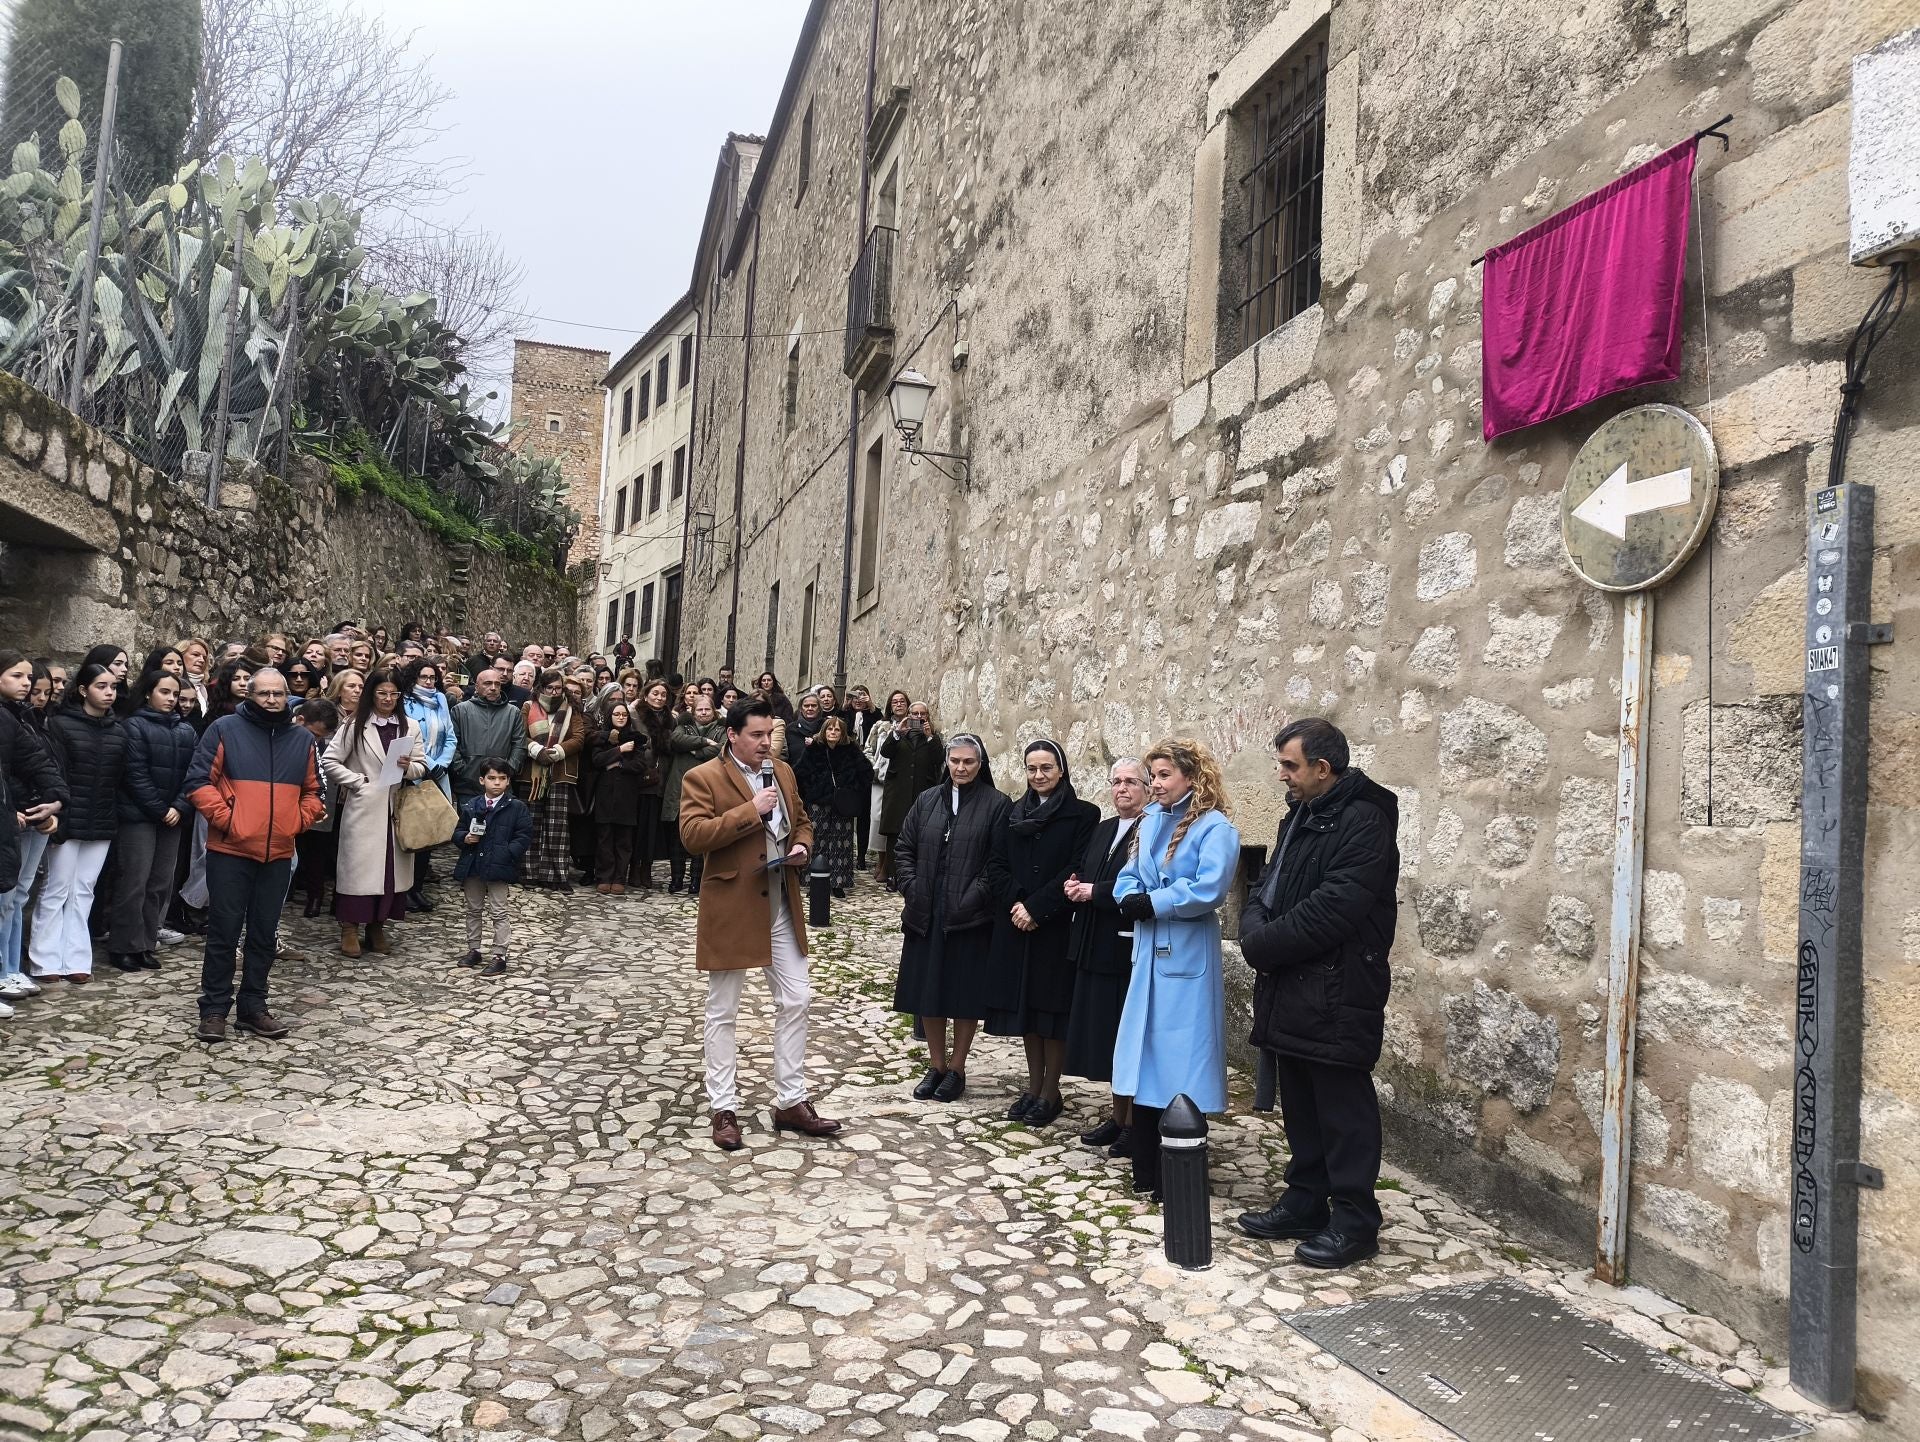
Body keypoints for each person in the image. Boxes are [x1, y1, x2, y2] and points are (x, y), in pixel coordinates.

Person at [1235, 718, 1400, 1269]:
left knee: (1342, 1108)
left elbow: (1334, 908)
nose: (1282, 775)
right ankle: (1306, 1199)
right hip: (1291, 985)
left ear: (1323, 768)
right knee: (1301, 1101)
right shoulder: (1299, 815)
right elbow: (1266, 887)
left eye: (1290, 765)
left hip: (1338, 988)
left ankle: (1355, 1221)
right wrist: (1254, 928)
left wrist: (1261, 945)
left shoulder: (1365, 822)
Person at [677, 698, 840, 1151]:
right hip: (732, 904)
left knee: (798, 998)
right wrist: (751, 810)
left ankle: (790, 1101)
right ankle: (723, 1107)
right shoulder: (703, 776)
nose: (766, 742)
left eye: (770, 734)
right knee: (723, 1010)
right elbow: (693, 836)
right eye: (757, 735)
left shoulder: (782, 771)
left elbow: (802, 821)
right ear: (732, 735)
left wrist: (802, 846)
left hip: (781, 901)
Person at [1110, 737, 1240, 1200]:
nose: (1156, 783)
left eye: (1165, 775)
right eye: (1154, 775)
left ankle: (1179, 1170)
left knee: (1181, 1059)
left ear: (1192, 776)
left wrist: (1157, 901)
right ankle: (1146, 1167)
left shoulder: (1214, 827)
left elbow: (1210, 888)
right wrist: (1129, 897)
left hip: (1185, 954)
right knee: (1147, 1057)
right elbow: (1128, 874)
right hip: (1148, 952)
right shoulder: (1149, 823)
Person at [185, 667, 323, 1040]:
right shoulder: (224, 729)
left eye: (278, 693)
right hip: (230, 849)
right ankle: (214, 1009)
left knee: (263, 934)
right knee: (224, 933)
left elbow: (314, 791)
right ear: (250, 695)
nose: (272, 700)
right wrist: (230, 821)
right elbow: (198, 782)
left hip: (278, 851)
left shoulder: (302, 739)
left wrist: (297, 821)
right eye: (264, 693)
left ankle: (253, 1007)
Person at [980, 740, 1101, 1125]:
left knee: (1052, 1013)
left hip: (1056, 925)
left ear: (1061, 770)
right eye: (1032, 769)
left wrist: (1037, 907)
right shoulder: (1012, 813)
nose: (1039, 775)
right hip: (1017, 923)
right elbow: (996, 864)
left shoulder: (1084, 815)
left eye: (1046, 768)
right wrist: (1019, 902)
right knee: (1028, 1012)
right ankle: (1033, 1087)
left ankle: (1051, 1091)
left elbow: (1077, 867)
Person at [892, 733, 1009, 1103]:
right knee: (929, 992)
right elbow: (904, 848)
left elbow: (998, 861)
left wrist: (975, 896)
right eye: (955, 761)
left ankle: (957, 1067)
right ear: (947, 762)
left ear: (980, 764)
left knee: (962, 994)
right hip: (925, 910)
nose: (961, 768)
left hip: (969, 915)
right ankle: (937, 1065)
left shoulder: (996, 804)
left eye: (968, 762)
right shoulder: (927, 799)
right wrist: (912, 887)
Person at [1063, 757, 1150, 1155]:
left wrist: (1093, 892)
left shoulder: (1150, 830)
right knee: (1106, 1040)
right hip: (1092, 942)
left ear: (1147, 789)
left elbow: (1139, 883)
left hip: (1124, 947)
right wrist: (1076, 884)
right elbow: (1090, 871)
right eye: (1116, 782)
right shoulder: (1104, 829)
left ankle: (1134, 1124)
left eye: (1131, 781)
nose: (1122, 788)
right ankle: (1117, 1117)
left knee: (1126, 1039)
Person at [30, 662, 127, 983]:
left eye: (113, 687)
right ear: (83, 690)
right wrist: (57, 814)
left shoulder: (118, 731)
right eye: (101, 686)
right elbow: (55, 773)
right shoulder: (60, 725)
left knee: (84, 889)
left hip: (101, 820)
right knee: (56, 888)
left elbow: (119, 780)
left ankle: (76, 958)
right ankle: (45, 960)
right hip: (68, 819)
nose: (109, 692)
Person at [323, 668, 427, 956]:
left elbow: (421, 764)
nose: (388, 699)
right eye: (382, 693)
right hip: (364, 807)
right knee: (359, 869)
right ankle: (349, 927)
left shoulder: (410, 726)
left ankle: (377, 925)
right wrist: (357, 782)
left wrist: (409, 767)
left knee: (389, 871)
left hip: (395, 807)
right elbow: (330, 761)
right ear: (371, 694)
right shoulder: (354, 724)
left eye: (394, 694)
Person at [107, 670, 196, 972]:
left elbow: (195, 773)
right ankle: (123, 945)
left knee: (160, 882)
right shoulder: (133, 726)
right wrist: (161, 809)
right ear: (148, 693)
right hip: (139, 816)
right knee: (134, 881)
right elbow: (135, 774)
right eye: (164, 692)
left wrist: (180, 806)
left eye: (175, 694)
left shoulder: (185, 730)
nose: (171, 699)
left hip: (173, 816)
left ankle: (146, 942)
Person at [0, 652, 68, 1009]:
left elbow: (40, 762)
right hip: (12, 816)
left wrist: (54, 800)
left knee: (15, 895)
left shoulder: (22, 717)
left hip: (23, 816)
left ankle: (9, 968)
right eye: (18, 676)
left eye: (29, 677)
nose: (26, 684)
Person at [453, 757, 533, 978]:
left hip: (499, 866)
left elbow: (524, 836)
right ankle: (474, 949)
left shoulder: (516, 807)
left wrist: (508, 853)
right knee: (473, 909)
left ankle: (500, 954)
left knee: (499, 911)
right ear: (482, 780)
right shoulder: (472, 805)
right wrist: (465, 838)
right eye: (492, 778)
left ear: (508, 781)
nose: (497, 782)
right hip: (474, 864)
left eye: (502, 778)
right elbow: (457, 831)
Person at [517, 668, 584, 891]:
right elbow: (520, 735)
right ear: (541, 688)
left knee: (557, 826)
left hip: (559, 772)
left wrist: (557, 751)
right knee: (531, 822)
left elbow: (579, 738)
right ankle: (529, 872)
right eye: (550, 688)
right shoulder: (528, 707)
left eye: (558, 688)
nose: (554, 692)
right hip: (532, 774)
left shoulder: (571, 708)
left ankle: (556, 874)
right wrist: (537, 750)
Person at [794, 713, 873, 897]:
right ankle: (814, 881)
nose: (833, 732)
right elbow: (799, 773)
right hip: (819, 802)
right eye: (830, 728)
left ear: (843, 733)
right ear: (824, 731)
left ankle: (838, 882)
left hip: (843, 803)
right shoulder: (814, 749)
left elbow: (867, 772)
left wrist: (852, 787)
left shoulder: (851, 750)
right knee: (817, 840)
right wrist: (814, 787)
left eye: (837, 729)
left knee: (841, 843)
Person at [400, 657, 458, 910]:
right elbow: (409, 739)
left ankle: (418, 888)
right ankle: (404, 889)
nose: (428, 681)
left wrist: (442, 763)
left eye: (433, 677)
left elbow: (450, 737)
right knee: (411, 832)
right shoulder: (404, 701)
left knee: (429, 834)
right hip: (414, 772)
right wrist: (429, 764)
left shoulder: (441, 699)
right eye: (424, 677)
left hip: (438, 774)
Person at [878, 699, 943, 889]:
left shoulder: (932, 737)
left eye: (923, 714)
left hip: (922, 791)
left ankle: (916, 876)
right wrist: (897, 732)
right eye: (915, 714)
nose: (919, 717)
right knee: (895, 835)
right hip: (898, 794)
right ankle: (893, 876)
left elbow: (938, 758)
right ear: (909, 715)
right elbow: (885, 752)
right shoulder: (899, 734)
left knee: (920, 834)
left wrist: (929, 737)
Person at [664, 694, 724, 896]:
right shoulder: (684, 726)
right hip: (680, 787)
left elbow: (721, 750)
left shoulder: (721, 729)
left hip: (708, 787)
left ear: (713, 711)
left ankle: (697, 880)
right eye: (700, 709)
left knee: (703, 833)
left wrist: (695, 751)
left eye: (707, 709)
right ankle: (676, 878)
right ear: (693, 711)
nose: (704, 713)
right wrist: (704, 741)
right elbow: (676, 740)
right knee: (677, 836)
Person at [590, 699, 648, 894]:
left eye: (624, 714)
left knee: (624, 840)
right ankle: (604, 876)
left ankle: (619, 878)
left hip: (627, 795)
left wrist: (620, 764)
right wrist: (619, 750)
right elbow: (597, 760)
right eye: (617, 714)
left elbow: (640, 764)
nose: (621, 717)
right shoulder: (602, 737)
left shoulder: (636, 738)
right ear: (610, 716)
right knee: (604, 838)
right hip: (605, 793)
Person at [291, 698, 343, 917]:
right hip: (290, 798)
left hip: (321, 798)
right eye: (315, 735)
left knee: (318, 850)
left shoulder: (327, 740)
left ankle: (316, 896)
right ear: (300, 721)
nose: (317, 740)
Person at [452, 669, 527, 805]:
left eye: (497, 684)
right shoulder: (460, 710)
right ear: (476, 687)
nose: (493, 688)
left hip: (501, 784)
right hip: (467, 785)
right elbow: (452, 743)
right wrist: (462, 769)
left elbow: (519, 745)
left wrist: (509, 769)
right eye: (487, 683)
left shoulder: (513, 712)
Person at [633, 678, 675, 888]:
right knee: (639, 826)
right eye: (655, 693)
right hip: (641, 774)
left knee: (652, 829)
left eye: (663, 695)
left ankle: (646, 868)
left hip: (662, 776)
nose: (659, 698)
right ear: (646, 694)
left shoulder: (671, 719)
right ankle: (634, 867)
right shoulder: (636, 714)